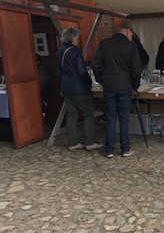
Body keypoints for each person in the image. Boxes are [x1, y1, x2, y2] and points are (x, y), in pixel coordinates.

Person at [91, 22, 142, 158]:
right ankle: (125, 149)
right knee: (124, 119)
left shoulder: (104, 43)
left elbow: (95, 64)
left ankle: (109, 150)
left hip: (109, 87)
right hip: (125, 87)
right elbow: (136, 69)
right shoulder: (131, 47)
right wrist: (135, 86)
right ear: (128, 32)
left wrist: (102, 80)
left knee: (111, 118)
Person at [55, 27, 103, 151]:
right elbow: (82, 73)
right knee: (88, 115)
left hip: (66, 88)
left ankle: (72, 143)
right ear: (71, 37)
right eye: (77, 37)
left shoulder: (60, 51)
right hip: (79, 89)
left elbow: (57, 72)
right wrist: (90, 81)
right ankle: (90, 142)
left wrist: (67, 78)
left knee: (71, 116)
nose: (78, 40)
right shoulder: (76, 52)